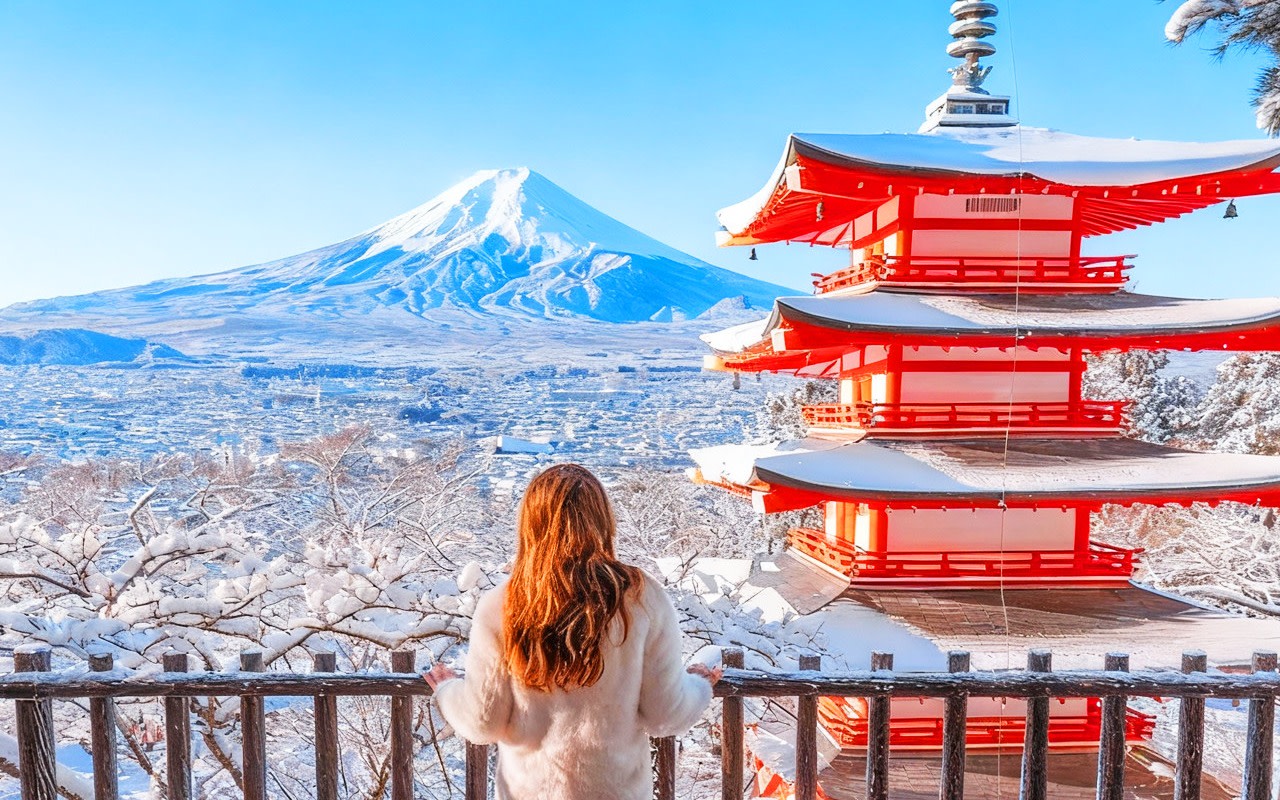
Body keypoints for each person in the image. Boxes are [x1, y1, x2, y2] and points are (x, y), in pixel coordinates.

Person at [424, 463, 720, 799]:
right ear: (603, 520)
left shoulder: (502, 605)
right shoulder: (640, 597)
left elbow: (482, 721)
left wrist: (448, 690)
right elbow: (665, 714)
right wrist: (698, 685)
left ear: (530, 525)